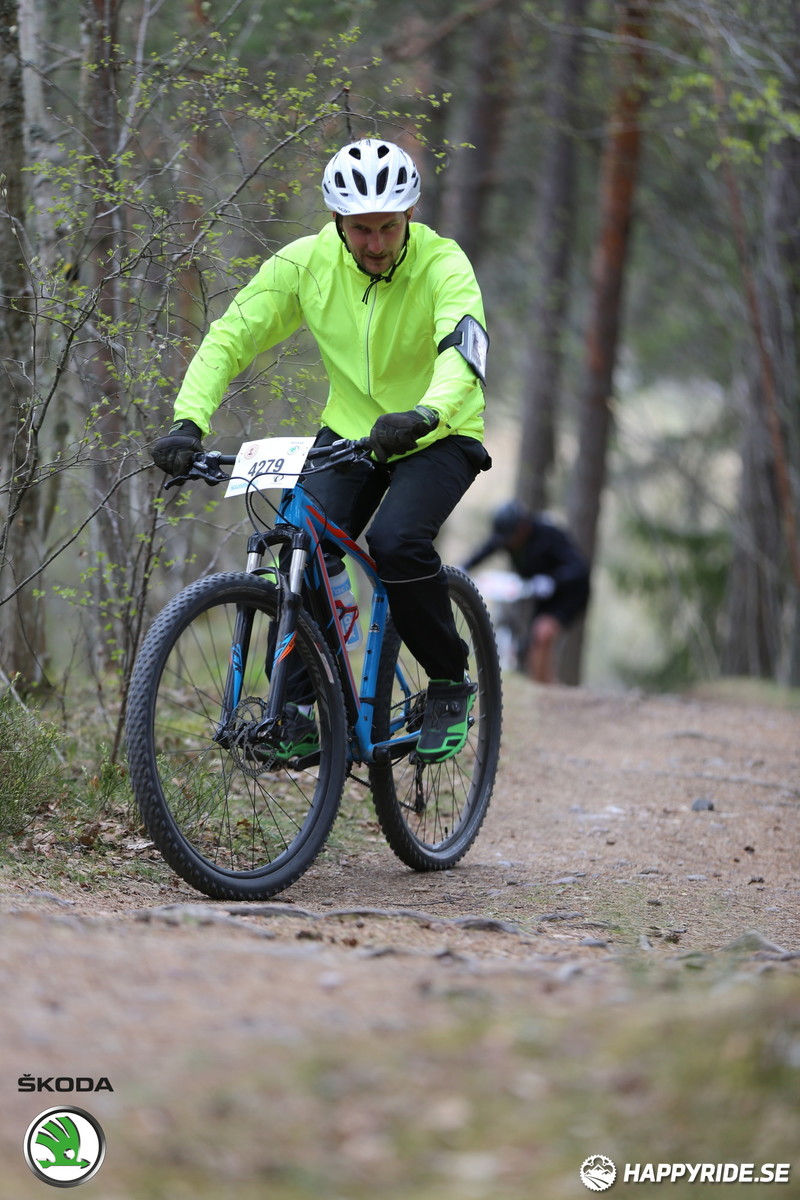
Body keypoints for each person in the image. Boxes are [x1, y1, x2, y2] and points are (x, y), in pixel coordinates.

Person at [151, 137, 491, 763]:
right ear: (336, 219)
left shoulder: (444, 264)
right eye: (361, 229)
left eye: (389, 227)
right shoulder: (306, 264)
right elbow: (231, 336)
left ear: (409, 215)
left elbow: (462, 354)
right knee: (299, 539)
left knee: (396, 542)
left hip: (439, 431)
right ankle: (308, 707)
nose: (376, 243)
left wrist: (426, 413)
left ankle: (448, 681)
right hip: (355, 432)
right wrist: (188, 421)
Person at [463, 500, 590, 684]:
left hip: (570, 593)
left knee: (542, 633)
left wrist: (553, 580)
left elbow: (578, 568)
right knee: (535, 641)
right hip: (544, 596)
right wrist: (464, 567)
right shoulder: (507, 537)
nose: (507, 543)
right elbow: (487, 549)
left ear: (522, 527)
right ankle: (542, 686)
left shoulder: (548, 534)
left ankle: (545, 688)